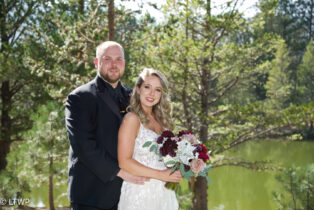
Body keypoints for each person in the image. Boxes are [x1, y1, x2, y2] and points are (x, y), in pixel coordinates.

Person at [65, 41, 149, 210]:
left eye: (118, 59)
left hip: (128, 194)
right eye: (107, 59)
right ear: (97, 62)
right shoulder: (79, 97)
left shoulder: (133, 97)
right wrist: (119, 172)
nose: (113, 64)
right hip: (91, 195)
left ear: (124, 64)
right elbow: (83, 145)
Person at [117, 68, 183, 210]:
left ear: (162, 94)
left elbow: (167, 160)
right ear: (138, 89)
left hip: (164, 193)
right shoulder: (132, 119)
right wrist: (161, 175)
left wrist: (183, 165)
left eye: (157, 90)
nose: (152, 94)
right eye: (147, 87)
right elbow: (124, 162)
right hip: (140, 192)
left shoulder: (164, 122)